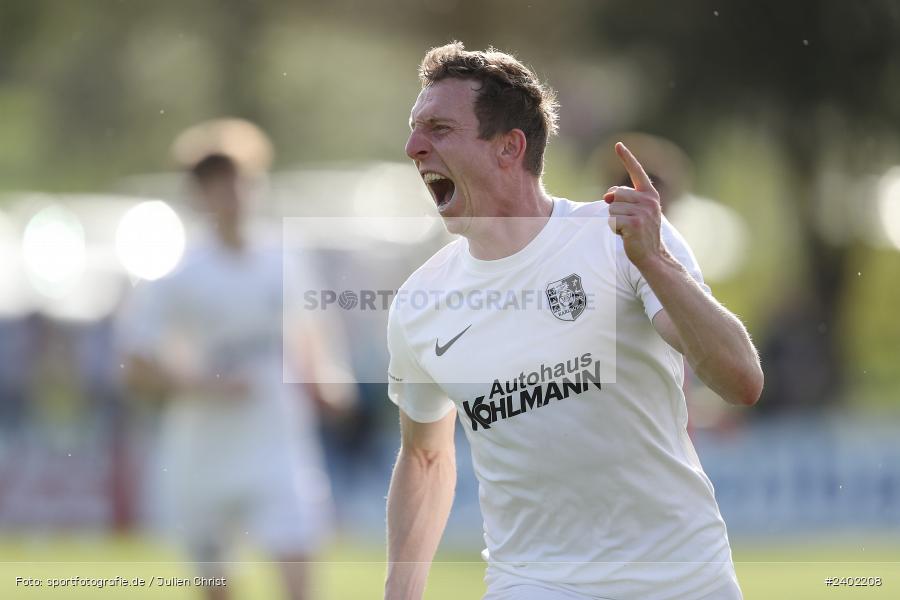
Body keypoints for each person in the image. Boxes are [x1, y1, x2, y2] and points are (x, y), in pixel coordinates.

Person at [384, 43, 763, 600]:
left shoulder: (619, 240)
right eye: (415, 130)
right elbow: (424, 455)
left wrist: (655, 261)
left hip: (684, 581)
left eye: (439, 129)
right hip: (532, 584)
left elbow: (740, 381)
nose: (413, 147)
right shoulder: (420, 302)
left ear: (509, 147)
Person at [118, 134, 351, 600]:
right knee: (217, 584)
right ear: (198, 195)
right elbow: (135, 366)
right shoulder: (177, 273)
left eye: (241, 182)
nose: (233, 195)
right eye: (218, 185)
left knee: (298, 561)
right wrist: (205, 383)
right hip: (204, 450)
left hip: (277, 439)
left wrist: (328, 383)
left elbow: (309, 329)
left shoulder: (284, 258)